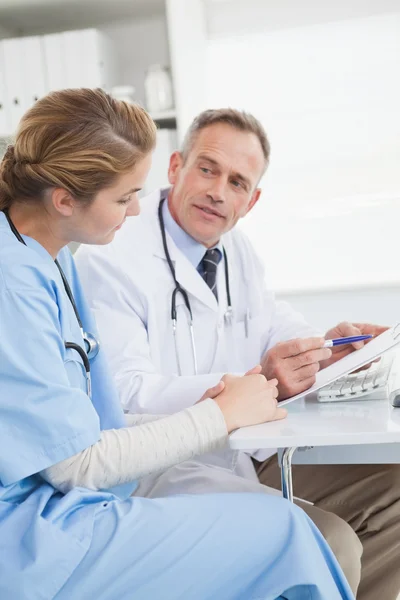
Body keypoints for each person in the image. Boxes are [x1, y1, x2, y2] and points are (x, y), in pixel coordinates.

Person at [0, 89, 356, 600]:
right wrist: (221, 414)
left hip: (74, 500)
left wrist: (307, 361)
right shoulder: (17, 280)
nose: (135, 210)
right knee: (288, 533)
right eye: (125, 198)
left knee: (290, 526)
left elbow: (93, 425)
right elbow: (74, 461)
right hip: (33, 535)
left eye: (238, 182)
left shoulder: (54, 264)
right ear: (64, 199)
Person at [76, 108, 400, 600]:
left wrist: (327, 349)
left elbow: (270, 322)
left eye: (238, 182)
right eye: (208, 169)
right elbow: (124, 390)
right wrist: (244, 386)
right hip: (167, 464)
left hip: (245, 449)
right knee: (328, 541)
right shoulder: (111, 254)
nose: (218, 192)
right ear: (175, 167)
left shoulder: (237, 250)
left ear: (252, 200)